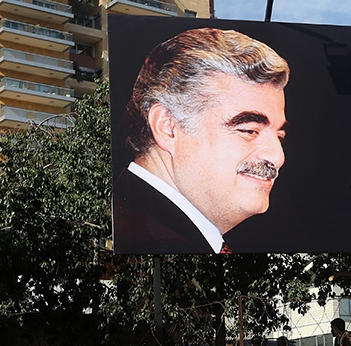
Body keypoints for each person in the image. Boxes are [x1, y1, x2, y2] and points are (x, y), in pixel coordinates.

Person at [114, 27, 290, 254]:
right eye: (249, 130)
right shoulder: (148, 244)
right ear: (167, 126)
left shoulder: (139, 226)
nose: (277, 157)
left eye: (279, 136)